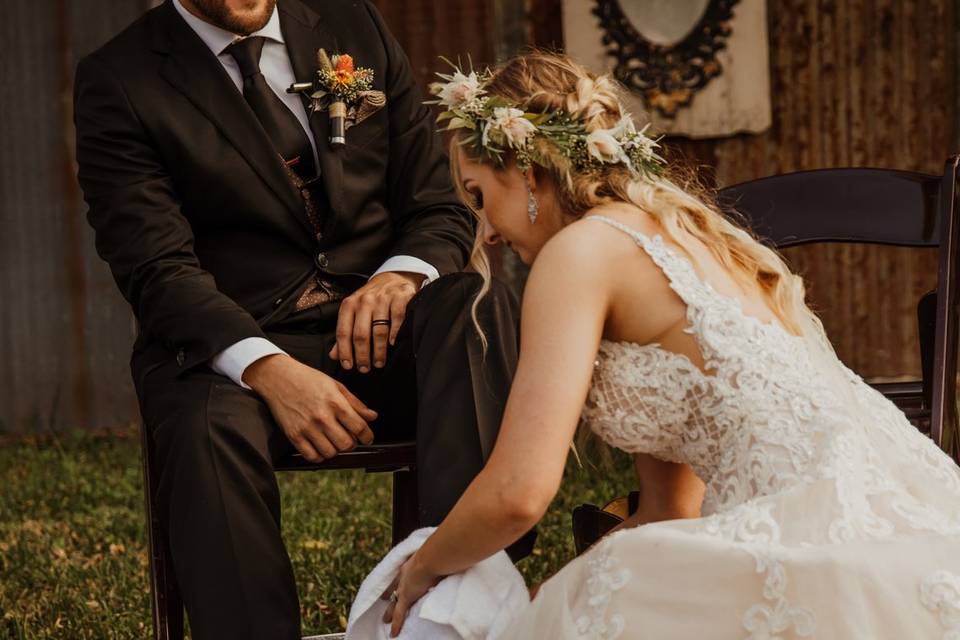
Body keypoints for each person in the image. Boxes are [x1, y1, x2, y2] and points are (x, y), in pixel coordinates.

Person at [377, 52, 960, 638]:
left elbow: (518, 494)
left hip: (806, 533)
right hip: (892, 506)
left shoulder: (579, 253)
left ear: (527, 171)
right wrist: (549, 595)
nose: (487, 231)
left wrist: (421, 567)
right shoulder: (671, 235)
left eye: (479, 197)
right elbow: (669, 511)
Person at [73, 1, 530, 638]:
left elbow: (436, 202)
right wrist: (267, 368)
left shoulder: (354, 24)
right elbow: (156, 269)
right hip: (234, 347)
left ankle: (455, 605)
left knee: (474, 308)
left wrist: (399, 275)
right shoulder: (119, 78)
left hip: (382, 336)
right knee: (204, 421)